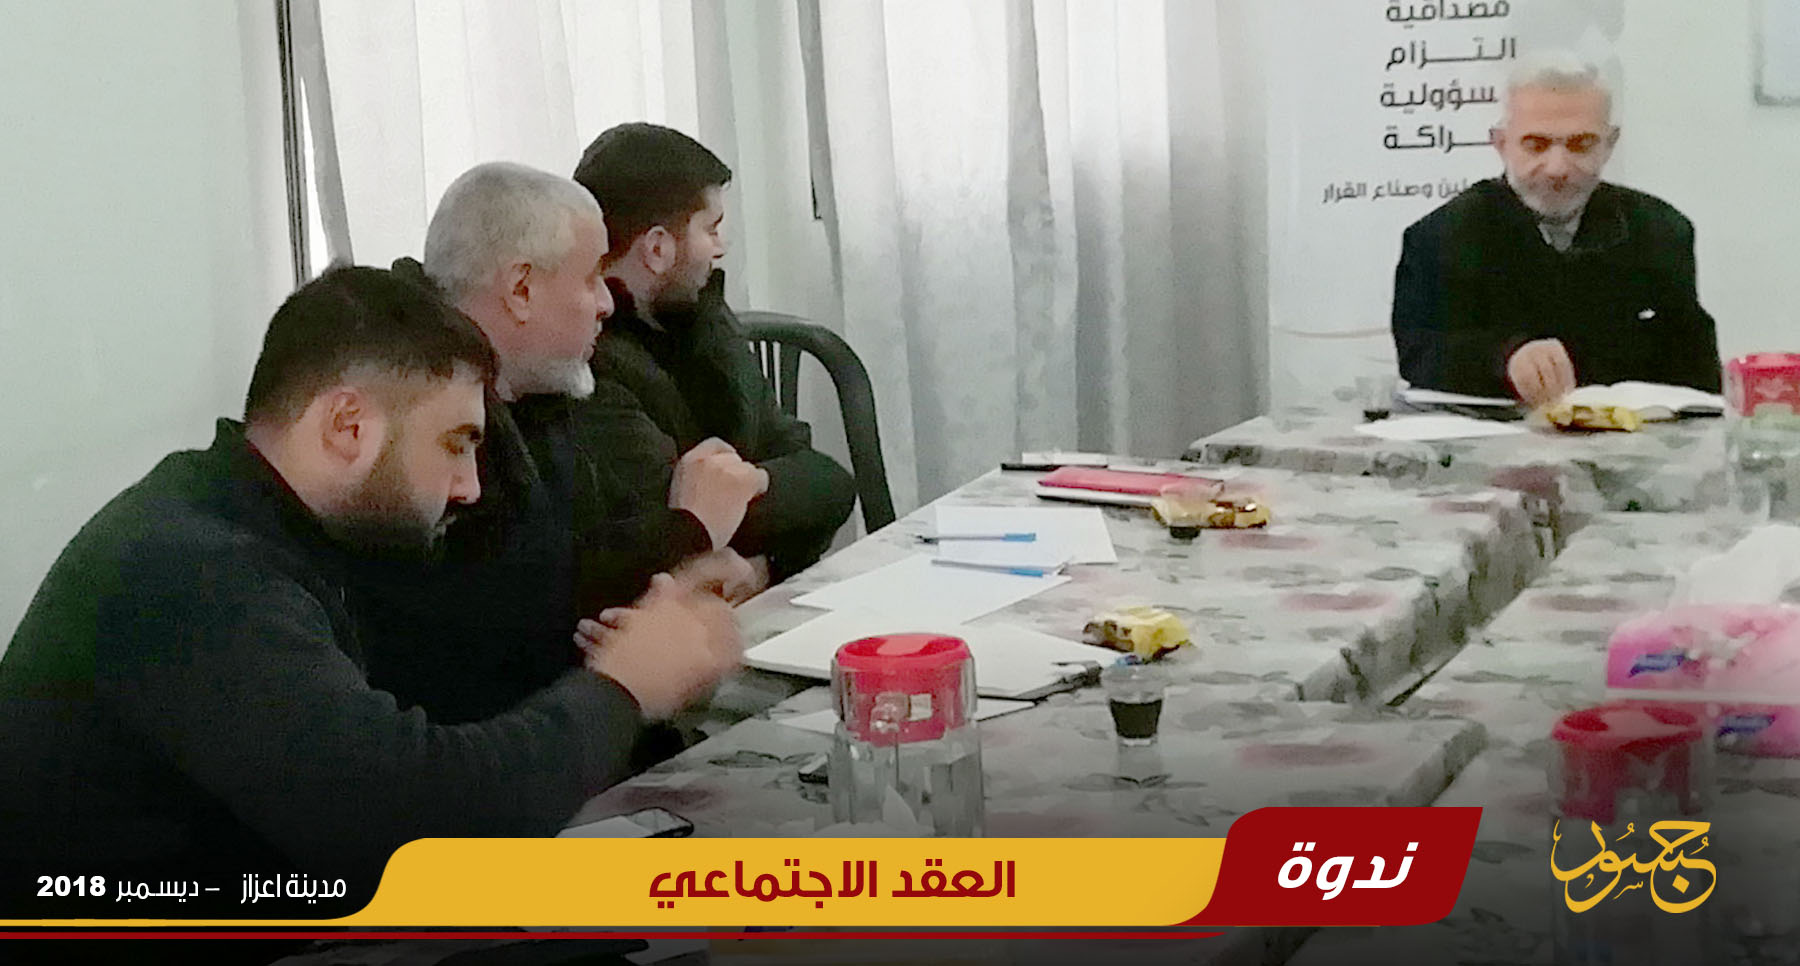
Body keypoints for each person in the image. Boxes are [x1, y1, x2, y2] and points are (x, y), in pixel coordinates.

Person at [0, 267, 742, 925]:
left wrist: (638, 655)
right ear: (348, 426)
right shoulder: (191, 572)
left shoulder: (295, 527)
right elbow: (412, 822)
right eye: (457, 443)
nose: (470, 486)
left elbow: (448, 698)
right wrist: (623, 687)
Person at [357, 162, 765, 723]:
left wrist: (667, 590)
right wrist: (688, 534)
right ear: (521, 289)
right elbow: (489, 616)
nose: (606, 303)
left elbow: (575, 565)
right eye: (591, 277)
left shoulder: (540, 388)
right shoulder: (418, 408)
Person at [571, 123, 857, 595]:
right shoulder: (588, 363)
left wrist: (766, 559)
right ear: (657, 248)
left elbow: (827, 481)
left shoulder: (704, 319)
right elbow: (679, 531)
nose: (721, 248)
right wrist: (766, 502)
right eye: (711, 228)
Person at [1390, 53, 1722, 406]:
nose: (1557, 168)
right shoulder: (1442, 236)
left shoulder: (1660, 232)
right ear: (1501, 144)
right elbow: (1420, 354)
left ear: (1610, 145)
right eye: (1536, 144)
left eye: (1581, 144)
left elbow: (1696, 370)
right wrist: (1505, 359)